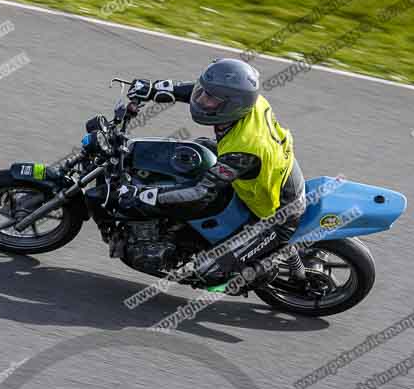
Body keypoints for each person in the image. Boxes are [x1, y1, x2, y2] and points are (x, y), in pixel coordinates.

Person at [120, 58, 307, 286]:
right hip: (275, 174)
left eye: (209, 98)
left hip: (279, 214)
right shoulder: (249, 100)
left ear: (231, 105)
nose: (200, 100)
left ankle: (260, 269)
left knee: (206, 272)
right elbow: (200, 91)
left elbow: (200, 193)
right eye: (203, 92)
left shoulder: (245, 148)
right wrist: (156, 88)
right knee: (194, 153)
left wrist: (145, 195)